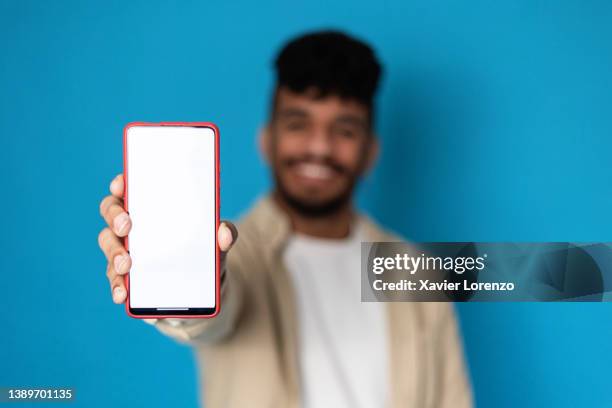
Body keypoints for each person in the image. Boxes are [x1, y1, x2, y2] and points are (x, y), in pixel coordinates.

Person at [97, 30, 472, 408]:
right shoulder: (234, 254)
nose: (320, 147)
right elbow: (207, 317)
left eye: (344, 130)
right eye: (298, 124)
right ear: (266, 140)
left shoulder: (418, 271)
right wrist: (180, 282)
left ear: (371, 152)